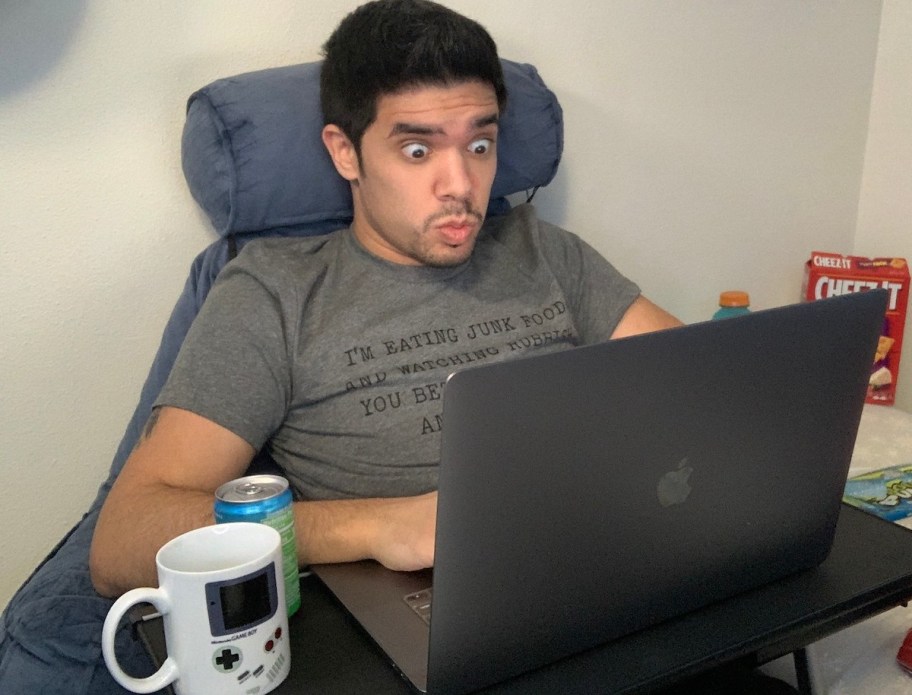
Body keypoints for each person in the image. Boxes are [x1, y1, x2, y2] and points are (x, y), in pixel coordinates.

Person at [88, 2, 801, 693]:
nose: (462, 185)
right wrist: (379, 524)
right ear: (345, 151)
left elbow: (706, 391)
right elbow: (124, 538)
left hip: (611, 575)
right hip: (440, 626)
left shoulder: (543, 250)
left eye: (481, 144)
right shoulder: (273, 293)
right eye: (418, 147)